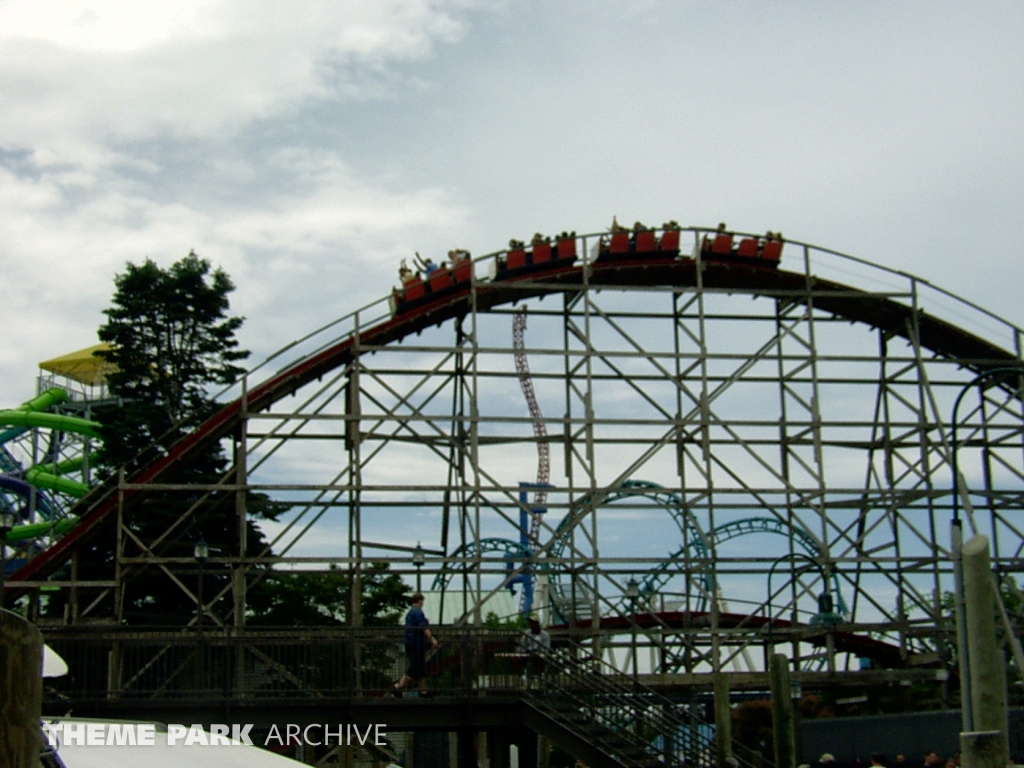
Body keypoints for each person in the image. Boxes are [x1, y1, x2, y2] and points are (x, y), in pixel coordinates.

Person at [393, 593, 438, 697]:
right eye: (422, 601)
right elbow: (423, 628)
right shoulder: (418, 612)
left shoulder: (410, 613)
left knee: (420, 667)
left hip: (410, 642)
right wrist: (432, 639)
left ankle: (423, 691)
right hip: (417, 643)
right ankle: (398, 686)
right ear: (419, 601)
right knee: (416, 667)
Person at [517, 618, 551, 684]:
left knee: (537, 659)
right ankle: (522, 675)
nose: (531, 625)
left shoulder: (545, 635)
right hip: (527, 653)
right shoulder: (527, 633)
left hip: (540, 654)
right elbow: (522, 645)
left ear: (538, 624)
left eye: (534, 623)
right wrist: (521, 651)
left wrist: (539, 652)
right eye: (531, 623)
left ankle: (536, 675)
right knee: (515, 658)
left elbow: (546, 648)